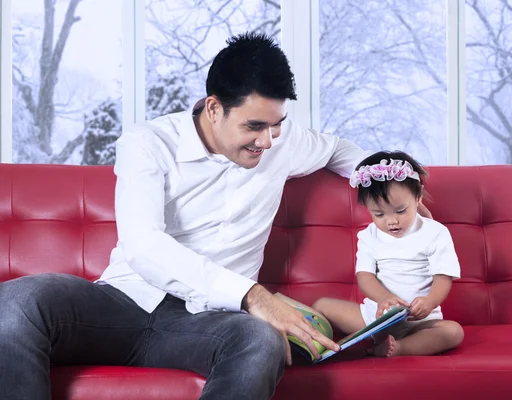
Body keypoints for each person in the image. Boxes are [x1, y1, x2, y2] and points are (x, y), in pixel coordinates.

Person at [0, 33, 431, 400]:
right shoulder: (147, 143)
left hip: (209, 322)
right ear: (213, 108)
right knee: (17, 302)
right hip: (123, 304)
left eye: (276, 124)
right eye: (254, 126)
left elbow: (339, 150)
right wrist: (253, 296)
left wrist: (392, 191)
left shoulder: (280, 142)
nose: (267, 140)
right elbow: (143, 245)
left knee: (260, 340)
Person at [313, 150, 464, 358]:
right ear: (368, 208)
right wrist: (383, 298)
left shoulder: (435, 232)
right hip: (376, 317)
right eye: (379, 214)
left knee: (453, 332)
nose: (391, 221)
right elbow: (364, 275)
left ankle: (400, 348)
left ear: (418, 197)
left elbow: (443, 277)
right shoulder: (369, 236)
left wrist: (429, 302)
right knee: (321, 306)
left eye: (400, 211)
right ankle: (328, 345)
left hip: (418, 321)